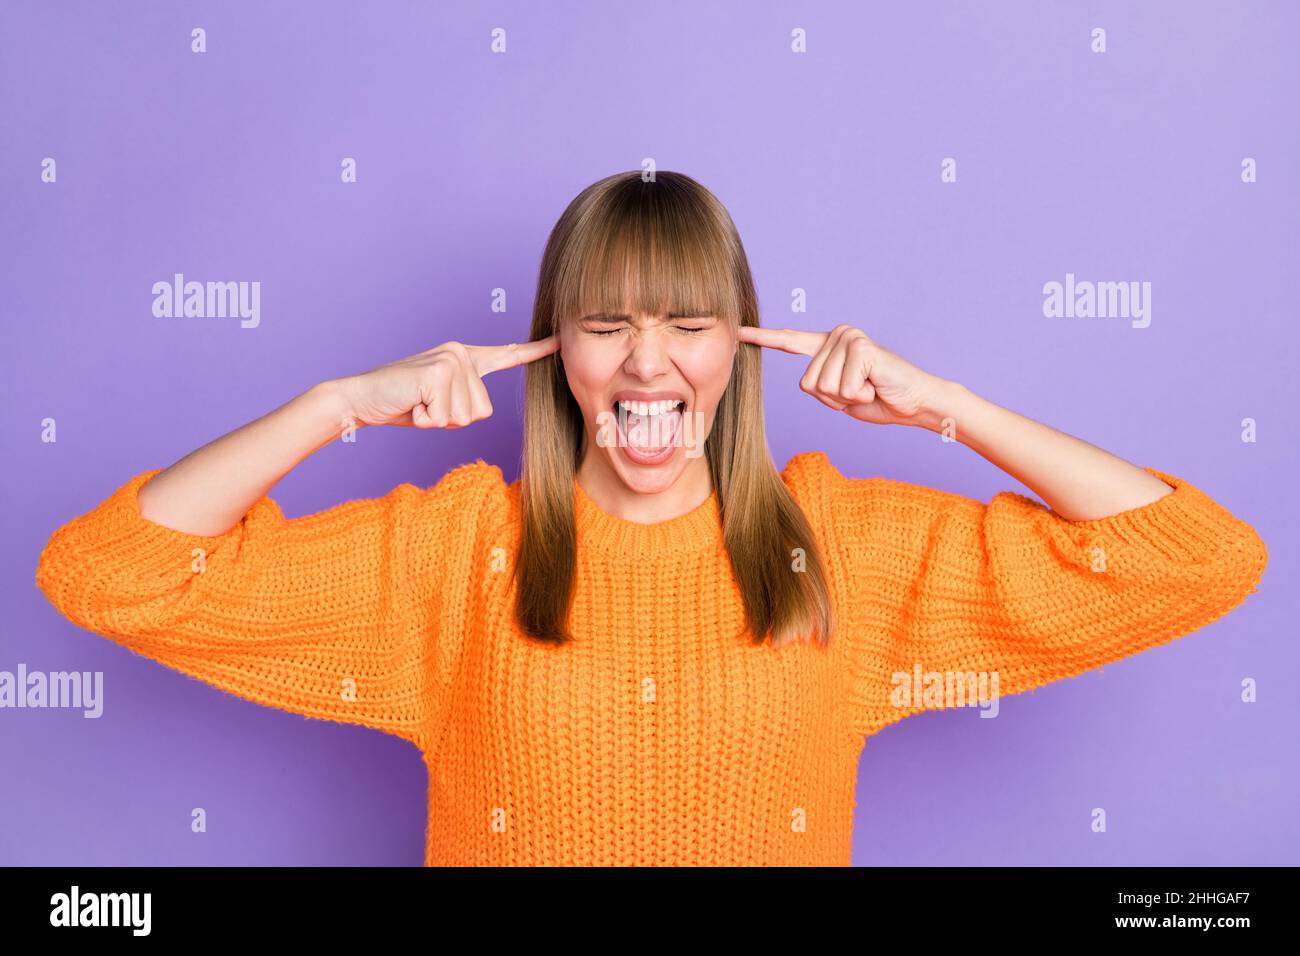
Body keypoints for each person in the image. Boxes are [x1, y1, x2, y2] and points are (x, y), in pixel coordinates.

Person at [35, 170, 1269, 866]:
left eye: (685, 324)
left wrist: (948, 406)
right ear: (554, 344)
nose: (645, 362)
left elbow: (1198, 559)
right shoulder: (457, 552)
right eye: (606, 322)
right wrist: (332, 406)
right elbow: (106, 575)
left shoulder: (838, 550)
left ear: (737, 345)